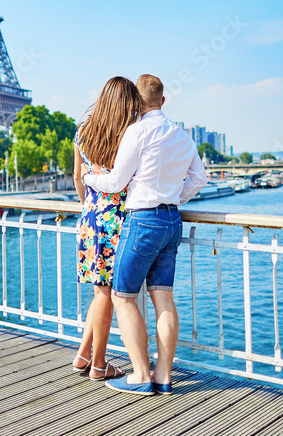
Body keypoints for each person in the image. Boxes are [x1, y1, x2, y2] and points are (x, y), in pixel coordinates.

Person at [80, 74, 207, 396]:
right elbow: (198, 178)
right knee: (163, 296)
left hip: (143, 221)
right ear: (163, 101)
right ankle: (163, 375)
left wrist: (89, 177)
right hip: (172, 220)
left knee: (122, 296)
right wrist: (175, 197)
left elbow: (117, 182)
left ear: (136, 102)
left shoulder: (136, 132)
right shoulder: (182, 134)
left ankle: (139, 374)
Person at [71, 76, 143, 381]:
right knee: (107, 294)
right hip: (118, 219)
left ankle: (83, 355)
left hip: (90, 217)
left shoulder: (83, 132)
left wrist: (90, 206)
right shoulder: (129, 135)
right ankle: (99, 365)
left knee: (99, 292)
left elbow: (78, 177)